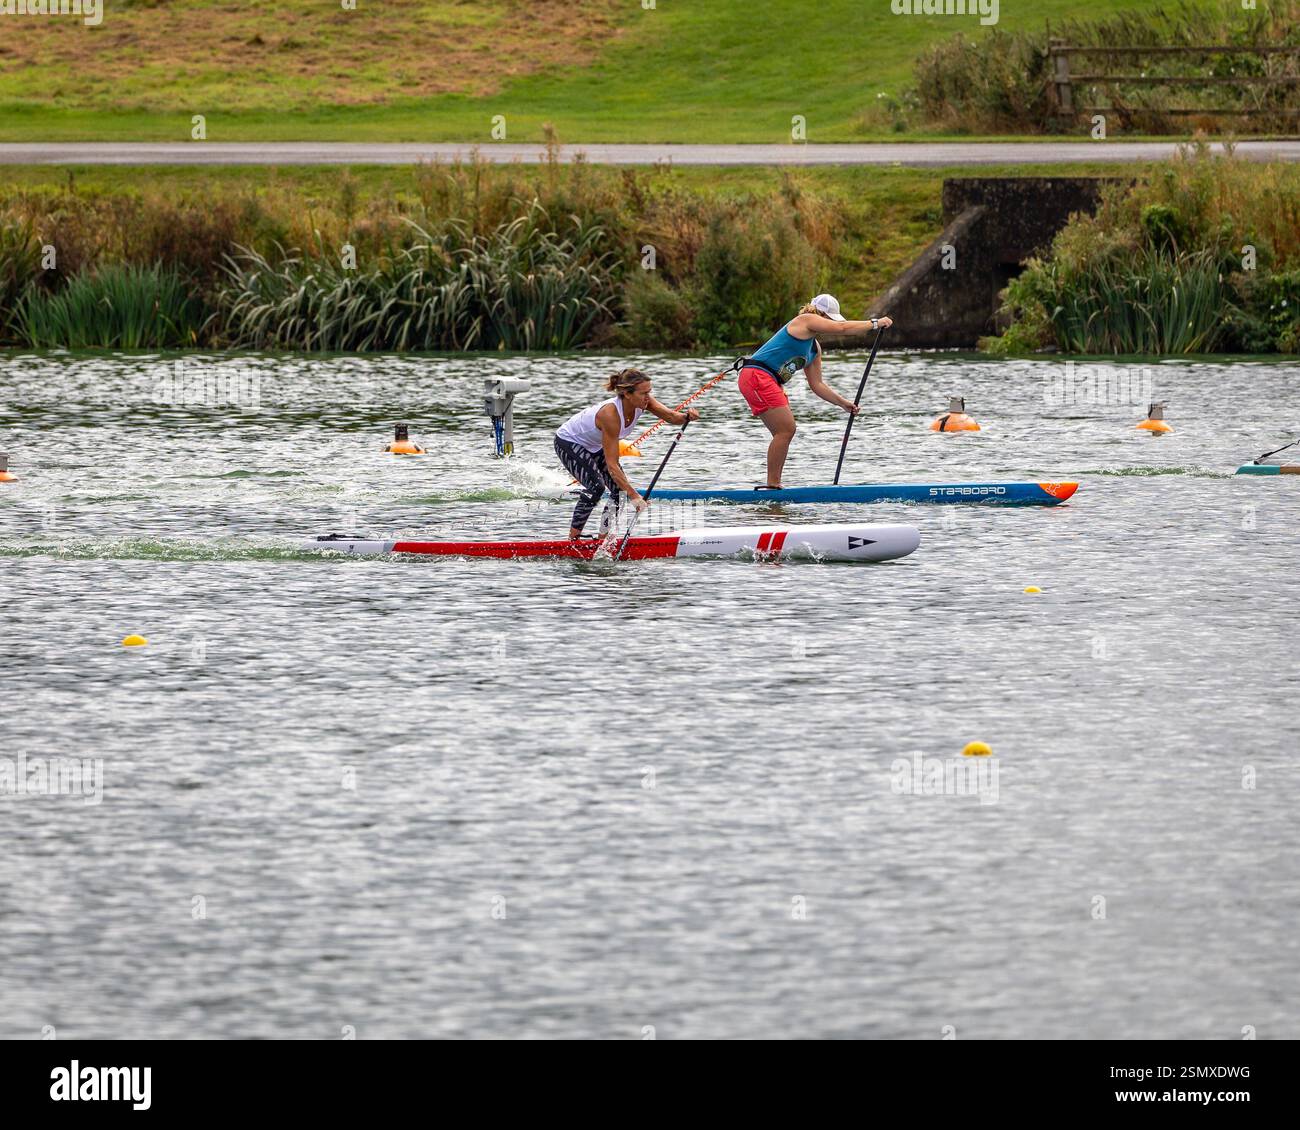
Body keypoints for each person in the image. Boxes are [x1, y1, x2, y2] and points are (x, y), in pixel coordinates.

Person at [738, 295, 894, 488]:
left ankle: (773, 486)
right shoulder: (805, 320)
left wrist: (843, 403)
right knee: (786, 429)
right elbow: (842, 329)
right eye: (829, 319)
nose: (830, 324)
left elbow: (817, 384)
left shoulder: (814, 348)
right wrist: (875, 323)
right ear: (820, 314)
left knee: (785, 431)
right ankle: (772, 487)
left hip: (769, 380)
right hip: (757, 375)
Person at [554, 369, 699, 540]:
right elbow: (612, 466)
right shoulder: (610, 415)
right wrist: (635, 496)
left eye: (649, 392)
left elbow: (671, 417)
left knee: (619, 492)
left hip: (594, 444)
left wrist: (687, 416)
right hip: (569, 442)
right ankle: (573, 540)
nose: (648, 397)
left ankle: (603, 539)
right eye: (644, 393)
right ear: (627, 394)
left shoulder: (643, 402)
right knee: (596, 488)